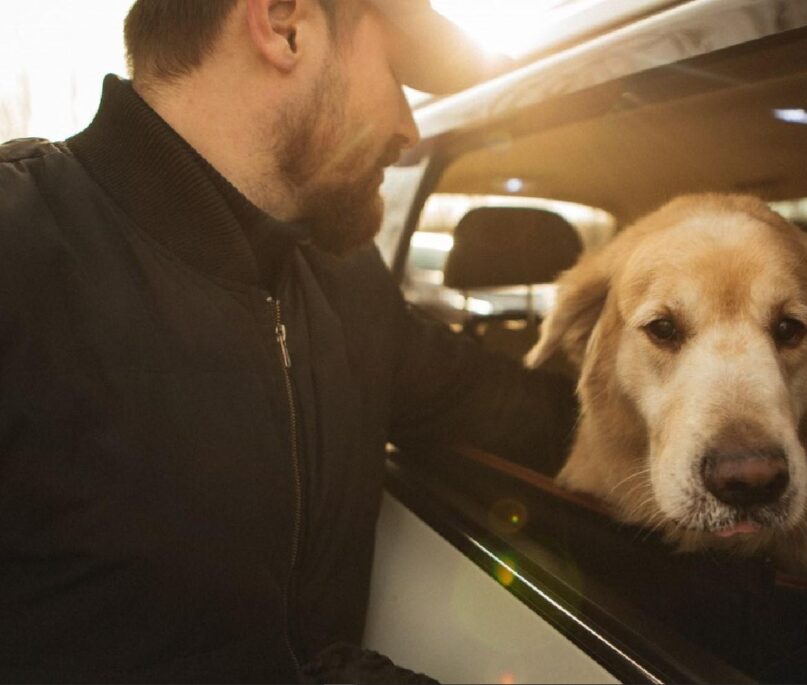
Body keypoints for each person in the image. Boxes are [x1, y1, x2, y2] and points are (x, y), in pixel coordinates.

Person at [0, 1, 577, 681]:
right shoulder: (18, 251)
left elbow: (520, 410)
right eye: (397, 75)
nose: (409, 126)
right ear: (283, 24)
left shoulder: (347, 285)